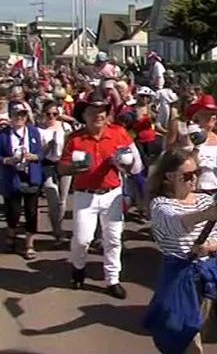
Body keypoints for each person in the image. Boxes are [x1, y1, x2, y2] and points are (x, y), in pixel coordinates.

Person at [143, 149, 217, 354]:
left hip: (206, 275)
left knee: (198, 331)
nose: (193, 179)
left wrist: (210, 246)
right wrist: (206, 215)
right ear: (169, 177)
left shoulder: (205, 200)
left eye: (196, 173)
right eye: (187, 175)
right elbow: (176, 224)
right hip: (178, 277)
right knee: (182, 336)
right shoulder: (160, 205)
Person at [59, 88, 143, 299]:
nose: (99, 115)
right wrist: (74, 169)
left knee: (113, 238)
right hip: (85, 195)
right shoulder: (75, 139)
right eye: (93, 111)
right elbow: (61, 168)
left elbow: (135, 165)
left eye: (103, 111)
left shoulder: (118, 133)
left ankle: (112, 279)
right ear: (84, 115)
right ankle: (78, 268)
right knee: (82, 239)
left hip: (111, 193)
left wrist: (123, 162)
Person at [0, 102, 44, 259]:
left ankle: (29, 243)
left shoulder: (33, 132)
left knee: (31, 211)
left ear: (27, 116)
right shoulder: (4, 134)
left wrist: (35, 157)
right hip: (12, 177)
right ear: (10, 117)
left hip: (31, 176)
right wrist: (7, 160)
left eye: (23, 115)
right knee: (13, 211)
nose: (20, 118)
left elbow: (40, 153)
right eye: (16, 115)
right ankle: (11, 233)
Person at [39, 100, 73, 246]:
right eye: (48, 114)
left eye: (55, 113)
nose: (52, 116)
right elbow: (37, 153)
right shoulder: (39, 130)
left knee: (62, 200)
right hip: (47, 165)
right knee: (53, 198)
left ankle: (58, 227)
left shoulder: (66, 127)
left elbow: (73, 146)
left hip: (64, 164)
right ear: (43, 114)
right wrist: (47, 148)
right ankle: (57, 232)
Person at [187, 95, 217, 194]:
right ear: (197, 116)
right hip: (198, 190)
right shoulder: (190, 136)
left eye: (214, 113)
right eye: (207, 113)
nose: (212, 117)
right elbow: (187, 164)